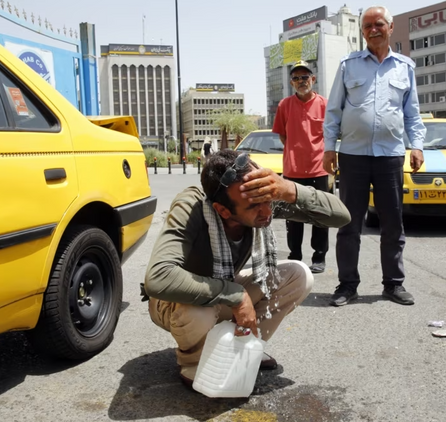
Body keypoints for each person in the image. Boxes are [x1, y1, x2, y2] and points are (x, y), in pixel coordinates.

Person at [143, 150, 350, 389]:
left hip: (222, 286)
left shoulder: (258, 199)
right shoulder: (192, 207)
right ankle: (194, 361)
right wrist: (237, 296)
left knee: (298, 275)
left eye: (269, 199)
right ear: (223, 210)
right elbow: (158, 278)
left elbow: (341, 216)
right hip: (175, 301)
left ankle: (245, 346)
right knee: (199, 311)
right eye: (255, 207)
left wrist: (288, 189)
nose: (267, 211)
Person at [322, 5, 426, 307]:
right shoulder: (348, 65)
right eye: (367, 26)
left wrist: (416, 145)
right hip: (352, 156)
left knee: (392, 224)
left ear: (390, 28)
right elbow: (334, 111)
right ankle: (347, 285)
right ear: (362, 31)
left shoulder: (405, 67)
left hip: (390, 156)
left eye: (378, 24)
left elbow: (412, 114)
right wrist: (330, 146)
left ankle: (393, 284)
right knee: (348, 224)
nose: (372, 29)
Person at [272, 60, 330, 274]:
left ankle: (319, 257)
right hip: (293, 171)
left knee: (320, 215)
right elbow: (282, 135)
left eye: (304, 77)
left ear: (313, 79)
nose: (301, 81)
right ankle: (295, 255)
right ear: (291, 82)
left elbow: (331, 134)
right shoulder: (284, 106)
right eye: (296, 78)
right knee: (293, 216)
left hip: (319, 169)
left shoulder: (324, 104)